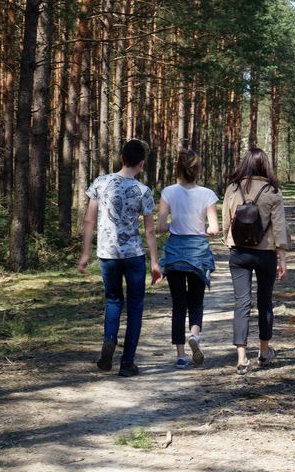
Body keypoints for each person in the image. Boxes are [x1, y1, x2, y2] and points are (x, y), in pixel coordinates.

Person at [78, 139, 162, 377]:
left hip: (108, 255)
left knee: (113, 301)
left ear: (122, 158)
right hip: (134, 255)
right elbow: (149, 230)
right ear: (142, 164)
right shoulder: (143, 191)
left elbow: (89, 220)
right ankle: (127, 363)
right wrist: (154, 262)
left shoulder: (100, 182)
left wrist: (85, 253)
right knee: (135, 307)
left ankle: (109, 340)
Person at [222, 148, 291, 375]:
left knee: (241, 303)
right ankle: (263, 351)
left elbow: (226, 220)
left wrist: (227, 240)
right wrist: (282, 259)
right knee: (265, 302)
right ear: (265, 165)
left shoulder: (233, 188)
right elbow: (279, 227)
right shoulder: (273, 190)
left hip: (238, 252)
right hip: (265, 253)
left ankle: (241, 358)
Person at [156, 149, 219, 369]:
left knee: (178, 305)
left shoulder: (168, 192)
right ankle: (194, 335)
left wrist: (175, 226)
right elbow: (214, 229)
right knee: (196, 301)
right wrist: (201, 228)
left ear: (178, 168)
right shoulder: (208, 194)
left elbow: (161, 226)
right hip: (198, 254)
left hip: (175, 253)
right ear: (197, 169)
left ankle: (181, 355)